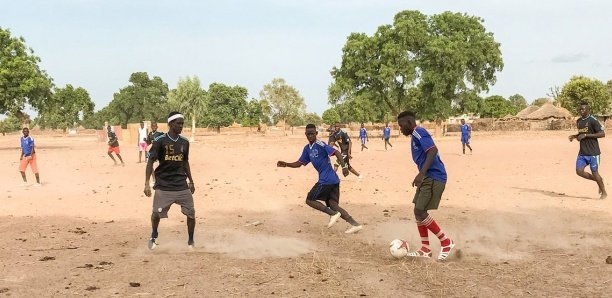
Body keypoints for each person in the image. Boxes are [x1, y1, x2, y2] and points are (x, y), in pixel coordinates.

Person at [277, 124, 363, 234]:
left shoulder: (320, 144)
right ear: (305, 135)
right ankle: (355, 224)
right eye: (308, 134)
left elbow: (336, 152)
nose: (310, 136)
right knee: (333, 205)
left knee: (309, 200)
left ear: (316, 134)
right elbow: (299, 163)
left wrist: (344, 167)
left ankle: (332, 214)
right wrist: (286, 164)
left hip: (326, 180)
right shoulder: (307, 149)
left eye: (312, 133)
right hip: (333, 180)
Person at [397, 111, 454, 261]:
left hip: (434, 177)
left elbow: (433, 150)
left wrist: (421, 174)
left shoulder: (418, 132)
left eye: (401, 126)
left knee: (420, 211)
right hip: (428, 177)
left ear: (409, 123)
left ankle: (445, 241)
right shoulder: (414, 135)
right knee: (418, 211)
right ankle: (426, 249)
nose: (400, 129)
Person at [144, 112, 196, 249]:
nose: (181, 126)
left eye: (182, 123)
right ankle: (154, 235)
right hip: (163, 185)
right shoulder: (159, 141)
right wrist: (146, 184)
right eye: (178, 123)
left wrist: (191, 181)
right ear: (170, 124)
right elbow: (150, 162)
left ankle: (191, 242)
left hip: (181, 185)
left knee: (191, 214)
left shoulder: (184, 142)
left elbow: (185, 162)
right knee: (156, 214)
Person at [569, 102, 607, 199]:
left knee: (595, 172)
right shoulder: (578, 121)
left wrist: (586, 136)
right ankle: (598, 180)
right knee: (579, 171)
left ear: (588, 110)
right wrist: (574, 136)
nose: (582, 111)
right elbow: (581, 133)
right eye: (580, 109)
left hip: (593, 153)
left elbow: (602, 134)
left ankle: (604, 193)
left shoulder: (593, 120)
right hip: (582, 152)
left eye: (584, 109)